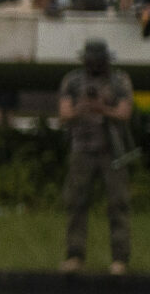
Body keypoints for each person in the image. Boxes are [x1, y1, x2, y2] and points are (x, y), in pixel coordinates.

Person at [55, 39, 133, 275]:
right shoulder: (73, 80)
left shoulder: (119, 81)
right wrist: (82, 108)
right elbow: (64, 113)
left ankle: (120, 258)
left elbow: (124, 113)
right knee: (76, 201)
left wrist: (103, 109)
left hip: (111, 149)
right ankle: (75, 255)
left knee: (118, 203)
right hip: (82, 148)